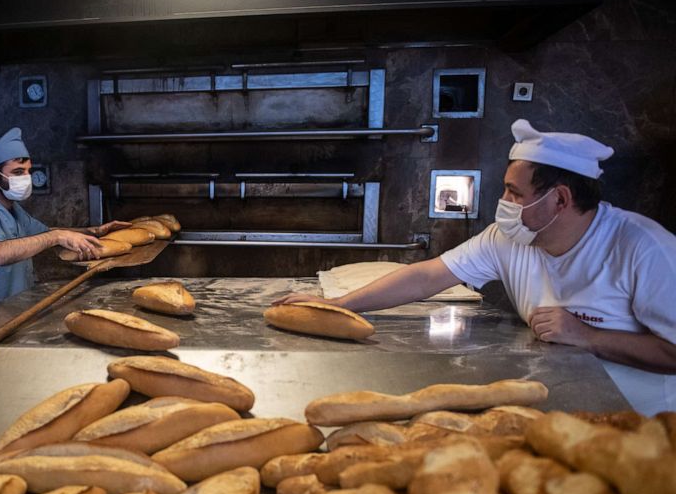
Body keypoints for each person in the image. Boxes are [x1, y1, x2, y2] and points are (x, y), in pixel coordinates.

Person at [274, 119, 676, 414]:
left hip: (642, 423)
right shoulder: (511, 239)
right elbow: (429, 275)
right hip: (562, 406)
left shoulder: (643, 248)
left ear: (560, 199)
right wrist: (340, 305)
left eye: (513, 193)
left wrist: (586, 335)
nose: (502, 201)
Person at [0, 127, 130, 315]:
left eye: (27, 171)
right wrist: (57, 237)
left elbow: (45, 233)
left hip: (14, 314)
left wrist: (96, 231)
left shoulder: (13, 210)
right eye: (17, 172)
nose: (25, 178)